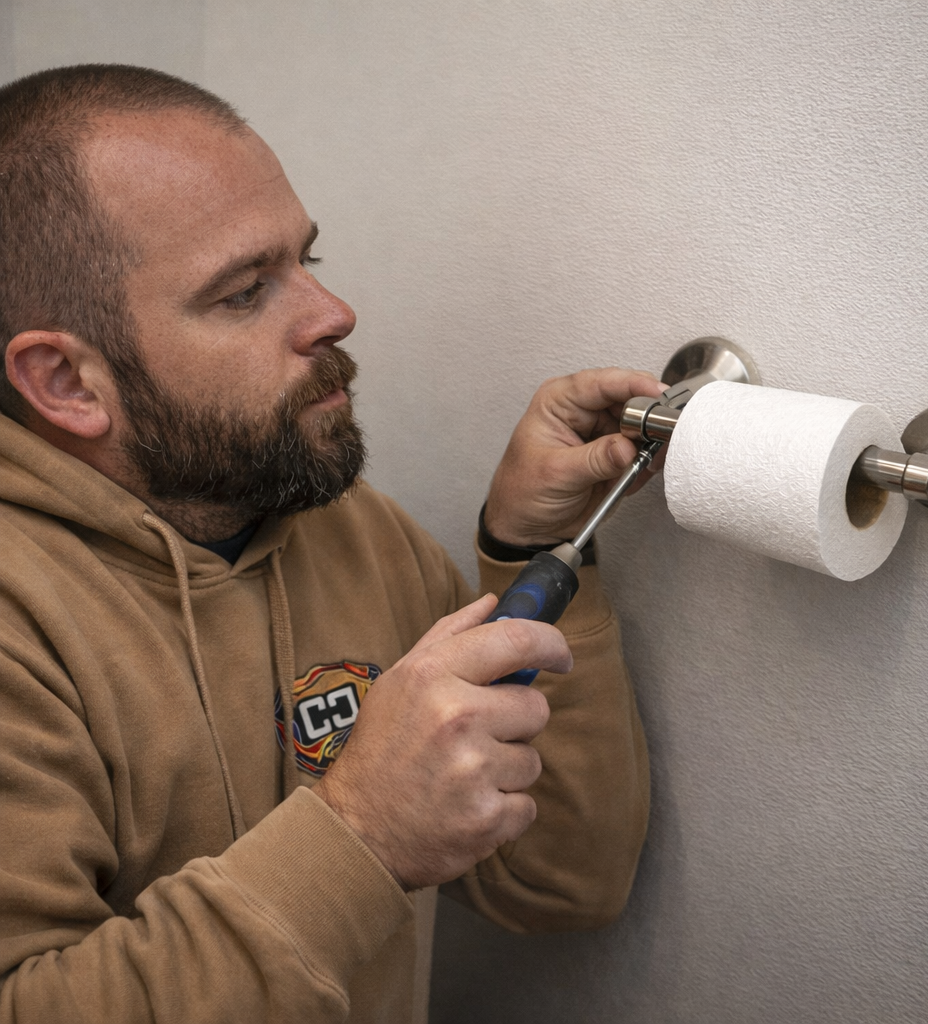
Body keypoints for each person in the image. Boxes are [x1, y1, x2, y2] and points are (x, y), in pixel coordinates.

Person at [0, 64, 661, 1023]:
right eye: (242, 292)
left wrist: (532, 551)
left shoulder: (353, 533)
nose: (332, 312)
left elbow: (559, 885)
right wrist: (360, 831)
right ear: (66, 382)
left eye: (308, 258)